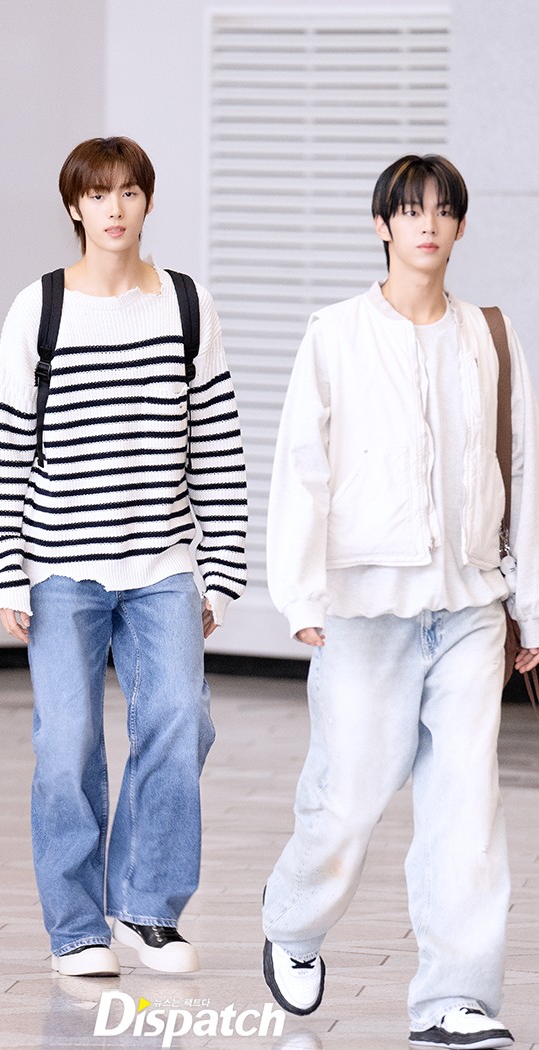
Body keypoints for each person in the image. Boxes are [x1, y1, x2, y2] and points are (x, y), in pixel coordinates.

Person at [261, 154, 539, 1049]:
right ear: (381, 224)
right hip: (364, 606)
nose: (427, 224)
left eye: (443, 210)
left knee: (467, 810)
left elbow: (523, 471)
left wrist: (529, 606)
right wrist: (300, 590)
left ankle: (457, 999)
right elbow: (301, 465)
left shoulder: (491, 335)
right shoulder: (336, 333)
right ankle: (293, 921)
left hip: (470, 607)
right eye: (410, 210)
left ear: (460, 226)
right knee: (347, 800)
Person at [0, 136, 247, 978]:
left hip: (162, 564)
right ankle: (76, 929)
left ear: (147, 202)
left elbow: (219, 447)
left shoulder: (187, 305)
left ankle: (145, 907)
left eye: (129, 192)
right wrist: (4, 565)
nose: (115, 208)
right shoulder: (40, 307)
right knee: (67, 747)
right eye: (98, 194)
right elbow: (4, 445)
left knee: (181, 718)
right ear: (75, 207)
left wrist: (223, 569)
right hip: (59, 565)